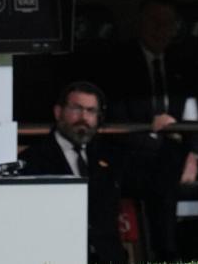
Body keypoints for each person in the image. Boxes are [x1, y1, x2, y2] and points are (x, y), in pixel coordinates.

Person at [103, 0, 198, 261]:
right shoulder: (118, 63)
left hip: (182, 147)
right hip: (138, 152)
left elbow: (192, 117)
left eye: (168, 23)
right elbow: (115, 119)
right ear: (140, 23)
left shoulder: (183, 62)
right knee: (166, 166)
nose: (161, 29)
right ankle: (167, 254)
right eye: (154, 22)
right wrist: (152, 129)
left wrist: (193, 154)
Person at [20, 82, 187, 264]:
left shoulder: (109, 156)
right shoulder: (33, 160)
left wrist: (172, 142)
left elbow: (156, 183)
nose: (84, 117)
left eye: (91, 111)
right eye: (77, 108)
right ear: (58, 112)